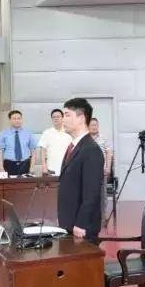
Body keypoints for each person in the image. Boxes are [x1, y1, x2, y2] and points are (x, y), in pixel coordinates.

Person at [57, 98, 105, 242]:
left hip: (81, 228)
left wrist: (81, 224)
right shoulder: (73, 146)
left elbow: (92, 193)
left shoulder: (91, 150)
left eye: (67, 115)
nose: (62, 119)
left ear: (81, 118)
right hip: (69, 223)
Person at [89, 118, 114, 226]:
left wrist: (108, 167)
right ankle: (90, 219)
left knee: (102, 196)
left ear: (98, 126)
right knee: (89, 196)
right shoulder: (85, 139)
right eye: (92, 125)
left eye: (95, 125)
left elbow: (109, 153)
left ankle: (102, 219)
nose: (94, 127)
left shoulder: (104, 138)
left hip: (101, 171)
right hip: (87, 172)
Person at [0, 110, 37, 176]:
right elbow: (0, 152)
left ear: (22, 119)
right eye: (14, 118)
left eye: (19, 118)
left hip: (25, 164)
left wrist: (32, 166)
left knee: (25, 182)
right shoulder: (3, 133)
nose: (17, 120)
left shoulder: (28, 133)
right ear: (10, 120)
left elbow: (33, 152)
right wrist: (1, 168)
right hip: (9, 164)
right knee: (9, 182)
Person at [38, 108, 72, 176]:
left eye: (58, 117)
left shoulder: (69, 132)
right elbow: (42, 151)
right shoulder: (47, 132)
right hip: (51, 169)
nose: (56, 119)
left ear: (62, 118)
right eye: (54, 117)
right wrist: (44, 166)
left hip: (66, 168)